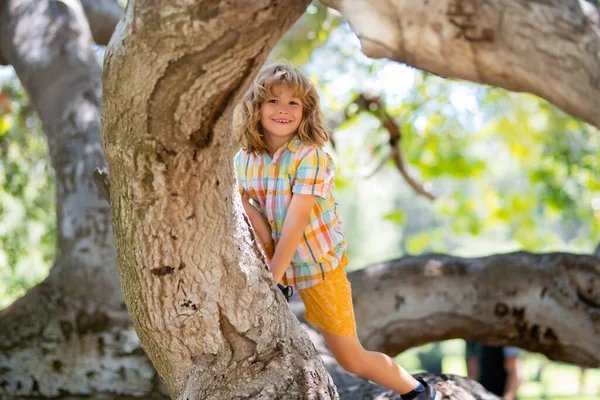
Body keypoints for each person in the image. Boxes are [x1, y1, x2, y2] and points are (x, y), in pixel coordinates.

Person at [233, 63, 439, 400]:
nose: (283, 110)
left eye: (293, 103)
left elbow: (296, 223)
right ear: (256, 107)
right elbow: (245, 208)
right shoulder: (244, 159)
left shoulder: (310, 157)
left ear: (306, 111)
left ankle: (417, 391)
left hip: (317, 265)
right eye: (273, 101)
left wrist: (275, 279)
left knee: (352, 358)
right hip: (270, 254)